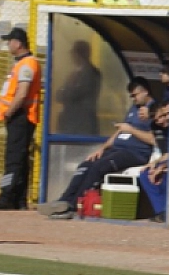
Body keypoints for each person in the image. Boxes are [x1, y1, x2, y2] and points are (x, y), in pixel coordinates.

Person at [48, 78, 160, 220]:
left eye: (135, 95)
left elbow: (153, 139)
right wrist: (102, 148)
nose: (133, 99)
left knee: (99, 167)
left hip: (134, 153)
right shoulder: (134, 109)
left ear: (145, 91)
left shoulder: (154, 111)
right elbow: (119, 132)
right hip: (117, 149)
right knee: (86, 164)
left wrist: (131, 130)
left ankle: (74, 205)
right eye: (131, 96)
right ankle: (63, 201)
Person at [0, 27, 41, 212]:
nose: (8, 44)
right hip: (22, 116)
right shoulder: (24, 63)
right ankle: (19, 199)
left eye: (10, 41)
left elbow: (21, 94)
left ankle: (6, 197)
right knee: (19, 159)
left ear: (18, 43)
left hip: (20, 116)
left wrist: (9, 112)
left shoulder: (27, 64)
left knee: (13, 159)